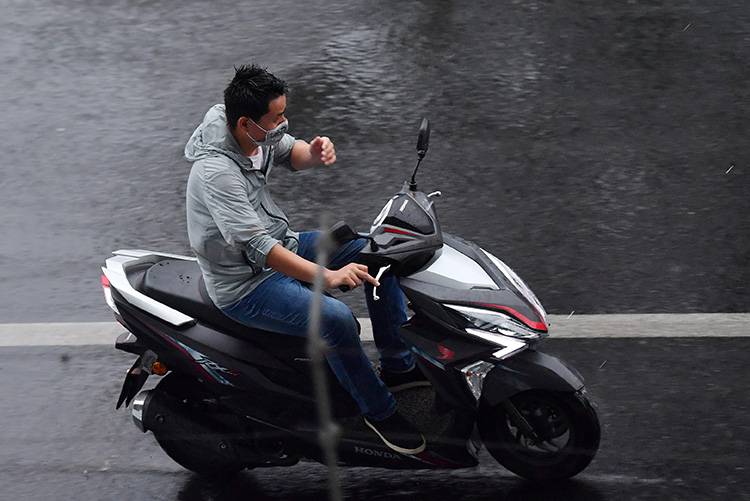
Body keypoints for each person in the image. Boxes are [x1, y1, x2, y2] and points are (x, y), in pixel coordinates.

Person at [184, 65, 428, 455]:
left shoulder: (243, 128)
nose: (283, 123)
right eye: (276, 117)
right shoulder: (216, 174)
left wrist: (313, 153)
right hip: (246, 284)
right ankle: (379, 414)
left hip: (286, 244)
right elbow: (262, 249)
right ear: (246, 123)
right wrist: (328, 277)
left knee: (381, 253)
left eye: (284, 113)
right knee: (335, 320)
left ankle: (399, 365)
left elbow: (287, 151)